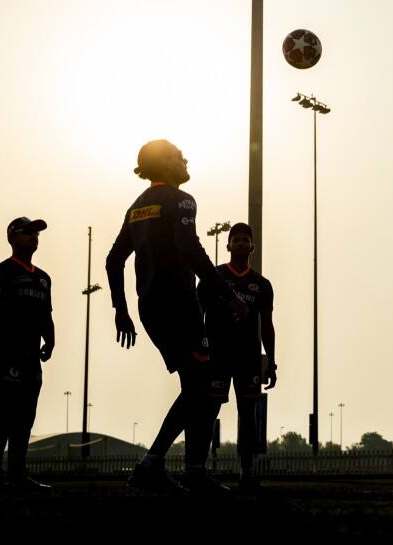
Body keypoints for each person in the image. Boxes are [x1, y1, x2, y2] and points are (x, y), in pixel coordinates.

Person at [105, 139, 247, 493]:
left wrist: (121, 309)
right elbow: (189, 248)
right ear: (162, 165)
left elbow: (113, 260)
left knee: (197, 386)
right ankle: (154, 465)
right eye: (176, 155)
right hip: (178, 303)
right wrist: (227, 294)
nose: (184, 158)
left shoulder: (137, 206)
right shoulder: (181, 200)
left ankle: (192, 470)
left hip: (149, 306)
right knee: (203, 385)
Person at [198, 222, 277, 491]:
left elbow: (267, 325)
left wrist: (272, 361)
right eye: (237, 239)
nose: (241, 243)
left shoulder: (262, 285)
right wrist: (198, 348)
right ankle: (198, 469)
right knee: (208, 412)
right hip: (217, 356)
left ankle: (246, 473)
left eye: (246, 239)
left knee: (248, 414)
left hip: (248, 357)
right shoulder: (213, 277)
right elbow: (198, 314)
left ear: (252, 246)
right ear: (229, 245)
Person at [0, 217, 55, 491]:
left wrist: (51, 340)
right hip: (4, 353)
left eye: (36, 233)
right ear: (12, 237)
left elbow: (47, 314)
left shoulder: (44, 278)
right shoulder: (0, 273)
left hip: (30, 356)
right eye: (27, 232)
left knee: (25, 418)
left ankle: (17, 475)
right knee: (4, 415)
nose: (33, 236)